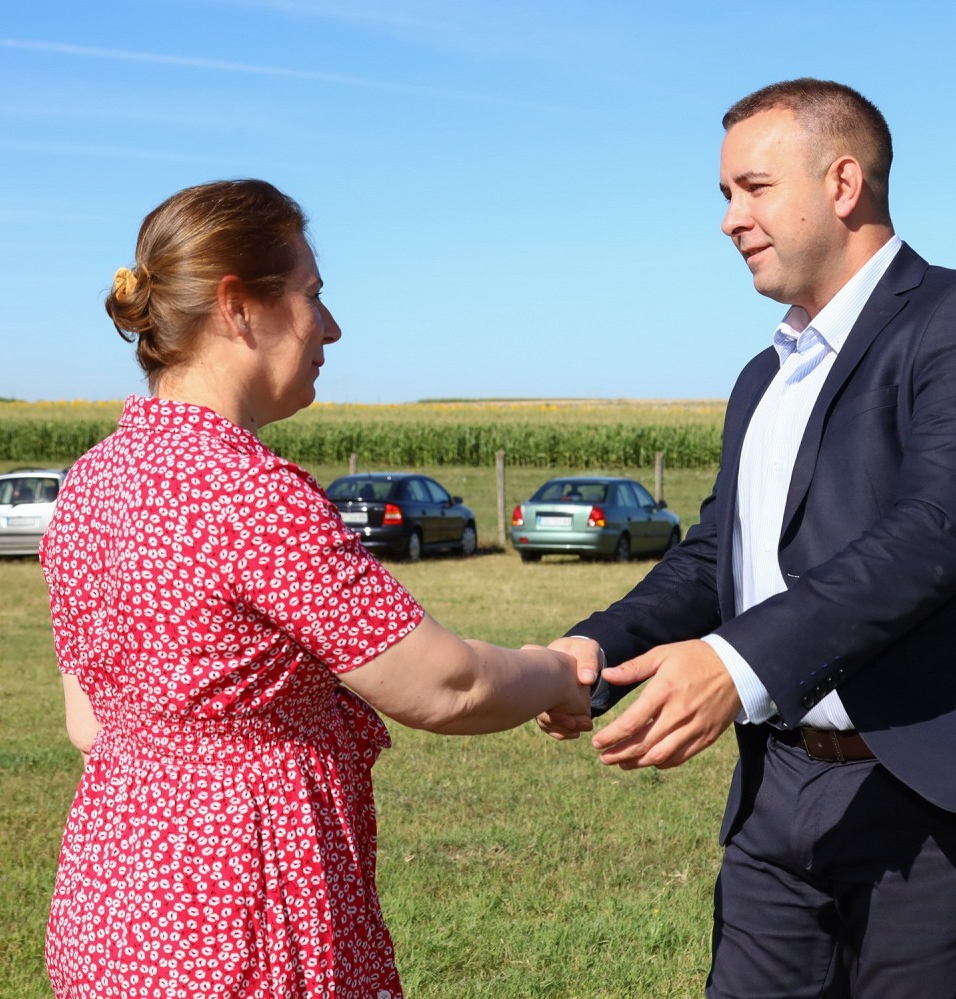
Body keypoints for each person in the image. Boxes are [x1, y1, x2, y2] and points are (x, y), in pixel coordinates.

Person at [539, 80, 956, 997]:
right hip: (777, 786)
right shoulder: (763, 375)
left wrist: (734, 663)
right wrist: (598, 645)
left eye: (753, 188)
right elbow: (719, 553)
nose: (729, 218)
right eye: (726, 194)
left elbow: (934, 533)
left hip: (931, 792)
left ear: (842, 184)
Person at [39, 179, 594, 999]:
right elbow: (446, 684)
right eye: (312, 294)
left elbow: (88, 722)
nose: (330, 326)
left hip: (108, 912)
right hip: (238, 926)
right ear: (238, 307)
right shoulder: (248, 493)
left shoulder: (92, 481)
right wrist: (557, 670)